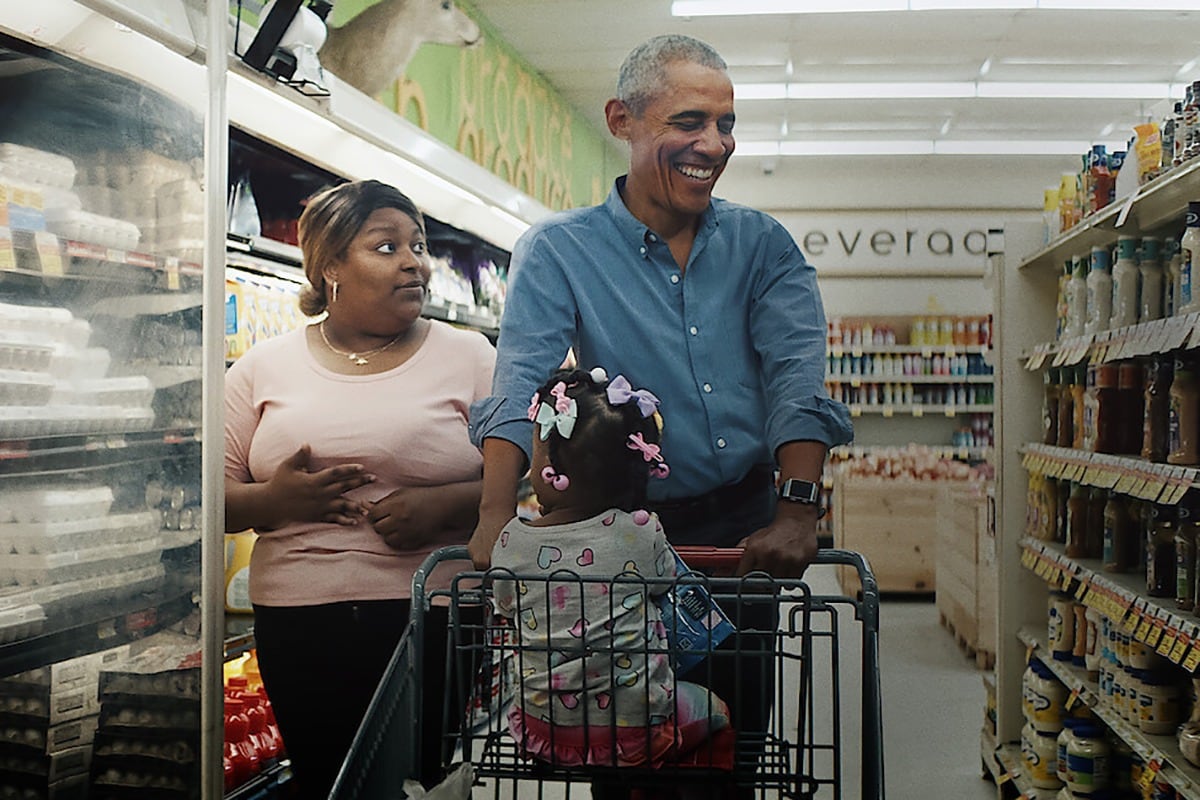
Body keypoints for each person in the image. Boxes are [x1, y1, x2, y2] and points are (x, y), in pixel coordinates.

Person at [466, 33, 853, 798]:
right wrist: (492, 517)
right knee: (622, 747)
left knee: (729, 742)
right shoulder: (560, 251)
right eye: (689, 121)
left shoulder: (762, 246)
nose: (713, 143)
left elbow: (796, 376)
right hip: (609, 544)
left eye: (726, 124)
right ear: (623, 119)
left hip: (742, 535)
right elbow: (522, 386)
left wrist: (798, 509)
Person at [224, 179, 495, 798]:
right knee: (327, 781)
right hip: (298, 616)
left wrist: (442, 506)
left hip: (435, 613)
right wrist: (276, 502)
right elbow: (212, 500)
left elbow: (524, 475)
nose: (414, 262)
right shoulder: (261, 369)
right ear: (330, 268)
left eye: (418, 245)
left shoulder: (470, 356)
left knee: (413, 780)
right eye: (386, 246)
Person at [490, 367, 730, 770]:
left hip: (542, 733)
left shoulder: (511, 541)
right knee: (717, 706)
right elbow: (663, 583)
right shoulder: (640, 532)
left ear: (550, 467)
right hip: (638, 735)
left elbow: (505, 604)